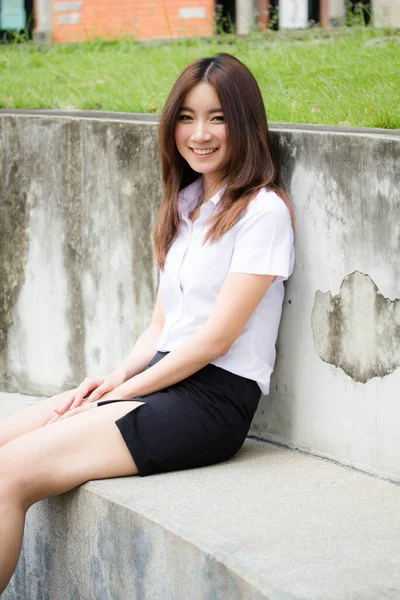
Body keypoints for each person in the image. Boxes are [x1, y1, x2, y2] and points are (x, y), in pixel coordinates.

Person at [0, 52, 294, 593]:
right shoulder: (186, 204)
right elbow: (162, 325)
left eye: (218, 117)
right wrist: (111, 381)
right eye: (186, 116)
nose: (199, 133)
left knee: (8, 475)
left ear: (245, 123)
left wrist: (125, 394)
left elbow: (215, 339)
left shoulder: (263, 212)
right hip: (164, 379)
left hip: (211, 401)